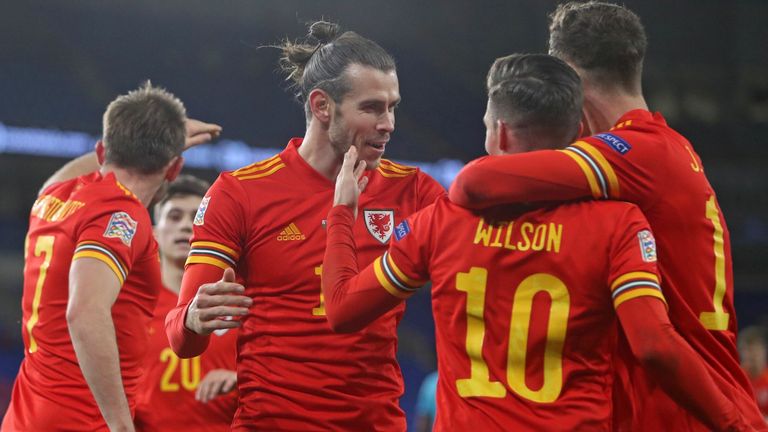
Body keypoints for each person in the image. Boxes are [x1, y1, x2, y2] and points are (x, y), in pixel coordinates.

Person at [321, 53, 752, 431]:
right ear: (578, 128)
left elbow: (342, 310)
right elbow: (656, 347)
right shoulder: (620, 225)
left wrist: (343, 213)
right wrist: (735, 423)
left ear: (500, 134)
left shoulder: (440, 222)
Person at [447, 2, 765, 430]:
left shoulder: (632, 155)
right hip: (700, 399)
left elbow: (474, 183)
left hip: (688, 412)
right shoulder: (667, 146)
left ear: (571, 81)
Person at [165, 21, 445, 431]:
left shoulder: (415, 192)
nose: (389, 123)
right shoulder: (240, 193)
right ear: (321, 106)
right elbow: (181, 340)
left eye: (393, 106)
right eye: (371, 108)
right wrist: (192, 317)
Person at [1, 83, 220, 432]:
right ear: (175, 168)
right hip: (81, 418)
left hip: (26, 413)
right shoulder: (121, 217)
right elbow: (85, 311)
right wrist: (120, 425)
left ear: (103, 151)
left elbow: (55, 182)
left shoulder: (53, 199)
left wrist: (135, 140)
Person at [133, 175, 238, 431]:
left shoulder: (236, 297)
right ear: (155, 233)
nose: (185, 226)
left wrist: (240, 378)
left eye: (195, 217)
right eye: (174, 216)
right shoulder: (133, 306)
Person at [739, 326, 768, 421]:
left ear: (764, 352)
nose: (753, 357)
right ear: (741, 354)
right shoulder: (735, 380)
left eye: (756, 351)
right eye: (748, 351)